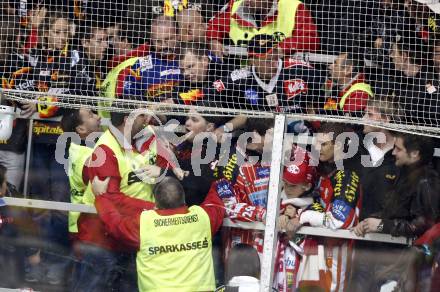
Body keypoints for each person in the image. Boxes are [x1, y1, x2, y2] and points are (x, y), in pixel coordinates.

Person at [74, 108, 171, 291]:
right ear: (128, 119)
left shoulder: (143, 136)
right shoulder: (105, 150)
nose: (147, 119)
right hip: (100, 240)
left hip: (129, 235)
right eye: (142, 116)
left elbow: (164, 157)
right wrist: (153, 208)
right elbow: (111, 199)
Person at [91, 176, 225, 291]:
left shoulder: (144, 223)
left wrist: (101, 197)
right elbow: (215, 204)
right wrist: (217, 185)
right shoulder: (202, 218)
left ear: (156, 203)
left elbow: (114, 223)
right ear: (184, 199)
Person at [353, 132, 440, 290]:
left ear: (414, 154)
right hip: (386, 258)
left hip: (401, 264)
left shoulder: (426, 182)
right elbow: (395, 212)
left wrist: (380, 225)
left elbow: (422, 227)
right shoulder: (406, 175)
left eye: (398, 149)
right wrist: (369, 222)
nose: (393, 153)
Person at [298, 122, 363, 292]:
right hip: (321, 245)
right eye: (317, 144)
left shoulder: (346, 174)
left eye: (324, 144)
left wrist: (302, 218)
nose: (318, 148)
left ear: (339, 145)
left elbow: (338, 221)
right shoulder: (328, 170)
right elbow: (322, 206)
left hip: (339, 251)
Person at [226, 34, 325, 113]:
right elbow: (213, 90)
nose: (274, 65)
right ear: (252, 61)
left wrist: (317, 114)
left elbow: (328, 87)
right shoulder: (241, 76)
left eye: (275, 57)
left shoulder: (299, 69)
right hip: (262, 134)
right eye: (268, 60)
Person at [206, 0, 319, 59]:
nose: (246, 1)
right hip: (246, 76)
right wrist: (213, 40)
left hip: (284, 74)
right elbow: (213, 26)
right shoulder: (235, 5)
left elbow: (311, 41)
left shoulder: (293, 6)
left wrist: (280, 48)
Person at [60, 109, 101, 235]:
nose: (98, 117)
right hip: (87, 227)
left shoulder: (74, 147)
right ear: (81, 129)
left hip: (78, 223)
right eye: (91, 115)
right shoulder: (88, 158)